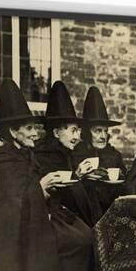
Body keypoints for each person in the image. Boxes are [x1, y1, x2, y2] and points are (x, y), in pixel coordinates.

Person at [0, 80, 90, 271]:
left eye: (34, 128)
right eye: (29, 128)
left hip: (38, 220)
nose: (35, 133)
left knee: (84, 236)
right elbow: (12, 205)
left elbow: (29, 192)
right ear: (13, 132)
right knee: (77, 241)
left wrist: (48, 187)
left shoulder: (25, 155)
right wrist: (41, 188)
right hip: (19, 232)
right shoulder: (5, 160)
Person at [34, 81, 103, 227]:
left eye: (78, 130)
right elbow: (58, 196)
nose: (77, 136)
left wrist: (78, 176)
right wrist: (76, 177)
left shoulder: (66, 152)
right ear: (56, 133)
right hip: (51, 220)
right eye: (73, 131)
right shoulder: (42, 155)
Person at [73, 86, 127, 214]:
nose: (103, 136)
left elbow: (125, 186)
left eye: (105, 131)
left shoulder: (114, 155)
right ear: (87, 132)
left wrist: (120, 174)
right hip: (82, 212)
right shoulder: (75, 153)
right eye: (98, 131)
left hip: (110, 211)